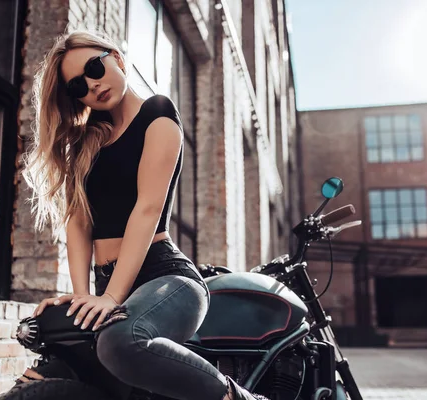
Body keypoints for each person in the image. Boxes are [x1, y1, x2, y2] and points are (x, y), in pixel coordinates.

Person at [19, 30, 259, 400]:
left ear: (115, 56)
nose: (93, 85)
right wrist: (83, 297)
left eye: (95, 67)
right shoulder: (87, 141)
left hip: (165, 277)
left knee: (120, 342)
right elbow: (79, 223)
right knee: (44, 370)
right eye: (78, 86)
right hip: (109, 285)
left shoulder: (157, 114)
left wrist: (112, 297)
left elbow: (148, 209)